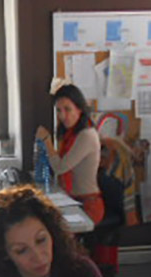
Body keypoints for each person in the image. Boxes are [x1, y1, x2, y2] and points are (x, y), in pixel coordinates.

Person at [36, 81, 105, 224]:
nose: (63, 116)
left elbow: (60, 167)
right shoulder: (71, 134)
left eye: (68, 109)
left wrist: (47, 141)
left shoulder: (86, 135)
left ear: (79, 109)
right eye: (59, 110)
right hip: (73, 199)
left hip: (88, 204)